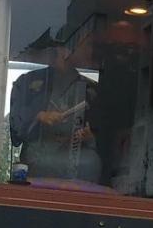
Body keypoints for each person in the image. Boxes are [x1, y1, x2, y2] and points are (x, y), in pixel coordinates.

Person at [9, 31, 101, 184]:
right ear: (65, 50)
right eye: (89, 45)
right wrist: (39, 116)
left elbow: (104, 138)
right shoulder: (27, 82)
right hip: (39, 157)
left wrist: (90, 138)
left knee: (91, 161)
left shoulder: (91, 90)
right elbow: (16, 130)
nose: (92, 52)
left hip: (77, 160)